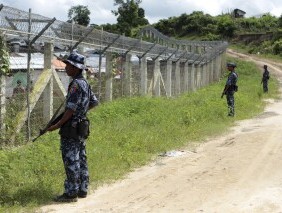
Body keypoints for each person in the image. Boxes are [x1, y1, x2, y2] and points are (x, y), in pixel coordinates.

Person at [47, 51, 99, 203]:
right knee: (81, 157)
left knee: (71, 160)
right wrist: (81, 112)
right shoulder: (85, 83)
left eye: (68, 65)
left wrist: (56, 125)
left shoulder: (75, 84)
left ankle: (71, 193)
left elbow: (70, 110)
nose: (66, 67)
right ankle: (82, 189)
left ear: (76, 68)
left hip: (71, 127)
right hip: (81, 126)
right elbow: (94, 102)